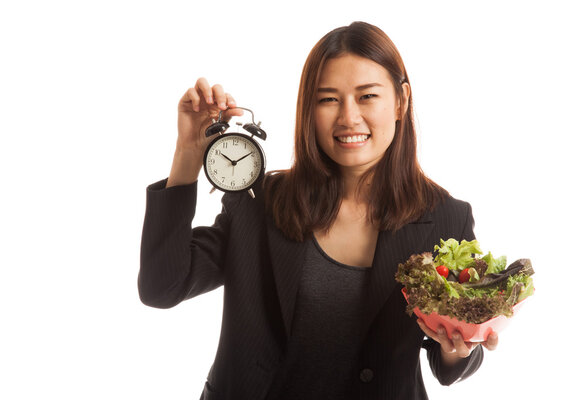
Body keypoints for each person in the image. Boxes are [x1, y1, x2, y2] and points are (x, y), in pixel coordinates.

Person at [139, 21, 498, 400]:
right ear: (308, 109)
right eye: (328, 99)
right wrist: (188, 155)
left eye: (367, 96)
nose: (348, 118)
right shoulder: (261, 201)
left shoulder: (445, 217)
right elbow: (163, 286)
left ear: (400, 101)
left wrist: (457, 348)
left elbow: (451, 363)